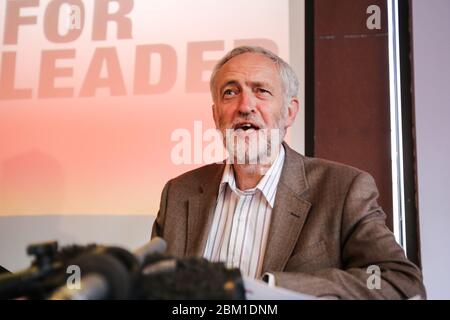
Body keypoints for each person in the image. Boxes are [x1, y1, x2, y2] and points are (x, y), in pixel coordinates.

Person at [151, 46, 426, 299]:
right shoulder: (179, 193)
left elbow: (399, 282)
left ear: (289, 112)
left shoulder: (343, 189)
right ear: (216, 116)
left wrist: (272, 290)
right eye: (230, 92)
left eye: (261, 91)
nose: (245, 106)